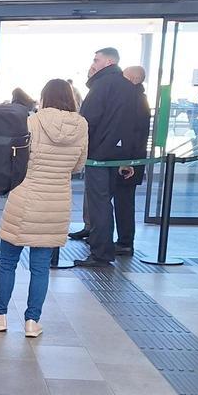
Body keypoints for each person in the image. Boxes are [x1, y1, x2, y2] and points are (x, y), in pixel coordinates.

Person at [0, 79, 88, 338]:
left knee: (7, 262)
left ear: (44, 97)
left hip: (24, 198)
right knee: (40, 267)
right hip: (56, 203)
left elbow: (18, 157)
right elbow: (78, 166)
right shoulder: (81, 126)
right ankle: (32, 321)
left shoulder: (32, 121)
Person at [74, 47, 144, 267]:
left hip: (99, 155)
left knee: (99, 205)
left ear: (109, 62)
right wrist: (129, 158)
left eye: (96, 59)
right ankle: (108, 246)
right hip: (121, 156)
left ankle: (101, 253)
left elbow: (88, 121)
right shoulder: (130, 89)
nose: (93, 63)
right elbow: (135, 126)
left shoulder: (101, 86)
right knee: (108, 204)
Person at [112, 65, 151, 255]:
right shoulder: (139, 99)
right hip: (132, 159)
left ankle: (125, 242)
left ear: (134, 79)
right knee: (123, 201)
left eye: (124, 77)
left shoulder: (133, 100)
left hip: (128, 161)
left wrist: (127, 162)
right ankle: (123, 240)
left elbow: (131, 133)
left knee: (124, 202)